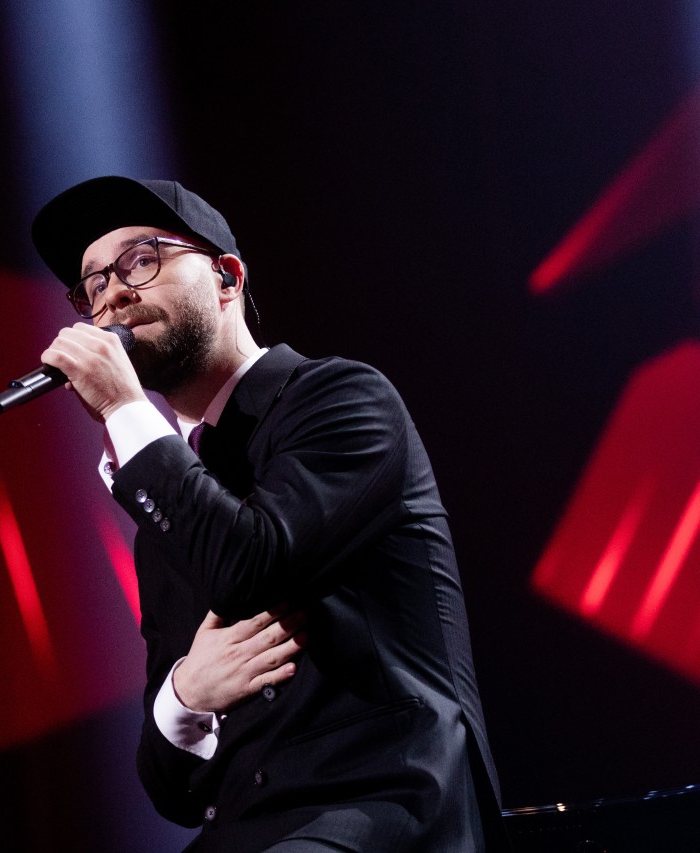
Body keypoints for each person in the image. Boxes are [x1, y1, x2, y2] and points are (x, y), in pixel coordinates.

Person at [30, 176, 509, 851]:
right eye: (93, 285)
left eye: (141, 259)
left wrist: (123, 413)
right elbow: (170, 790)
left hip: (381, 805)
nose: (113, 295)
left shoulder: (341, 399)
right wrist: (185, 697)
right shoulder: (165, 498)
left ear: (227, 277)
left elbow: (250, 563)